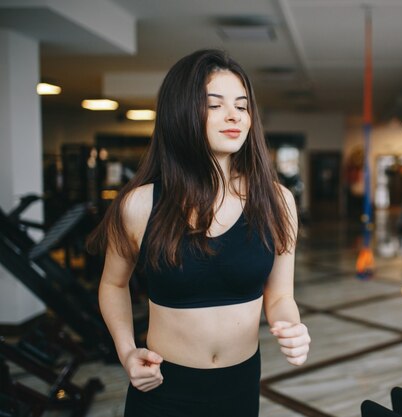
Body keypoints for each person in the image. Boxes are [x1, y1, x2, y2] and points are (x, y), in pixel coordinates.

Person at [87, 49, 311, 417]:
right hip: (163, 388)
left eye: (242, 105)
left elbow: (280, 294)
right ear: (182, 112)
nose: (233, 115)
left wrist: (291, 327)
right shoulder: (140, 205)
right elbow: (113, 285)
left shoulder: (277, 200)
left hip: (239, 388)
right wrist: (126, 351)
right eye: (214, 104)